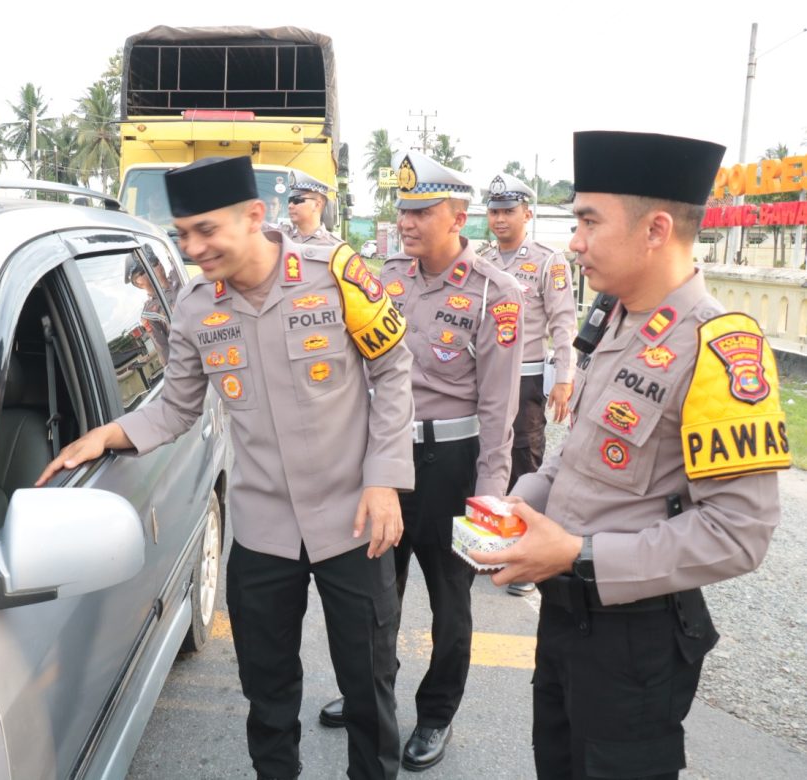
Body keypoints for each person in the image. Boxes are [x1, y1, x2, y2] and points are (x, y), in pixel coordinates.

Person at [37, 155, 416, 780]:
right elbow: (176, 409)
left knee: (369, 687)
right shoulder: (193, 308)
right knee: (267, 694)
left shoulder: (336, 273)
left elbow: (393, 370)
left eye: (206, 230)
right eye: (184, 233)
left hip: (353, 516)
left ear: (254, 217)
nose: (193, 246)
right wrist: (106, 435)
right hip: (264, 529)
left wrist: (385, 480)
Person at [473, 130, 790, 779]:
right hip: (564, 620)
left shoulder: (719, 346)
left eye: (589, 220)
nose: (575, 240)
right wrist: (514, 506)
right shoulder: (616, 321)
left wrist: (577, 554)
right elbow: (576, 456)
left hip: (635, 642)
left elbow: (740, 533)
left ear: (656, 231)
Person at [318, 150, 524, 771]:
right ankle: (371, 697)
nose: (406, 222)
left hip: (452, 466)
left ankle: (436, 713)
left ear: (459, 216)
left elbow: (500, 411)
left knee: (450, 603)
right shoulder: (386, 279)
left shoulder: (497, 292)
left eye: (422, 210)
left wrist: (491, 500)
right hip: (386, 458)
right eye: (402, 210)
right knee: (374, 593)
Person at [478, 172, 578, 596]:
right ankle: (488, 543)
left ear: (527, 214)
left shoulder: (546, 261)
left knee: (524, 460)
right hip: (485, 377)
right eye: (495, 211)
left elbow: (563, 323)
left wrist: (566, 378)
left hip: (527, 377)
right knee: (483, 457)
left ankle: (525, 558)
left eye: (508, 211)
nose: (500, 219)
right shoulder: (480, 259)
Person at [285, 170, 339, 245]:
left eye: (297, 200)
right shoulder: (280, 239)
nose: (290, 206)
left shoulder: (333, 247)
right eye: (289, 200)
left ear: (317, 205)